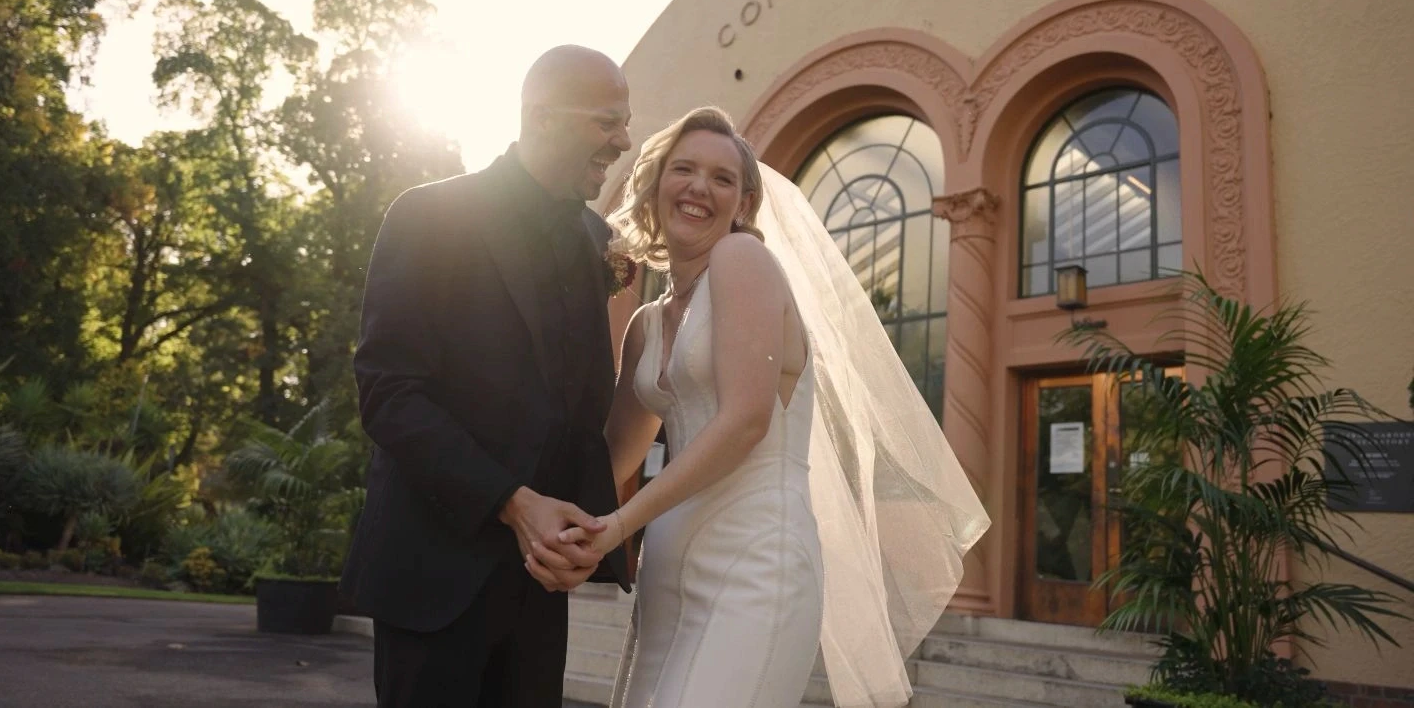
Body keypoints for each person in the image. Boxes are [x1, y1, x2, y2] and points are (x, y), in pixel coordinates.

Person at [541, 107, 991, 708]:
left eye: (723, 179)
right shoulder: (646, 324)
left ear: (744, 204)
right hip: (667, 572)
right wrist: (534, 510)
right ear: (656, 185)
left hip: (755, 562)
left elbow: (746, 422)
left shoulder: (742, 261)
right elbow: (612, 457)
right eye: (684, 169)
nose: (701, 186)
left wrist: (618, 528)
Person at [340, 45, 635, 708]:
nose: (623, 141)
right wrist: (511, 500)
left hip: (537, 589)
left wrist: (593, 530)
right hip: (433, 580)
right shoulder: (427, 215)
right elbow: (388, 392)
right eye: (607, 121)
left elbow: (574, 411)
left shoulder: (596, 239)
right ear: (542, 116)